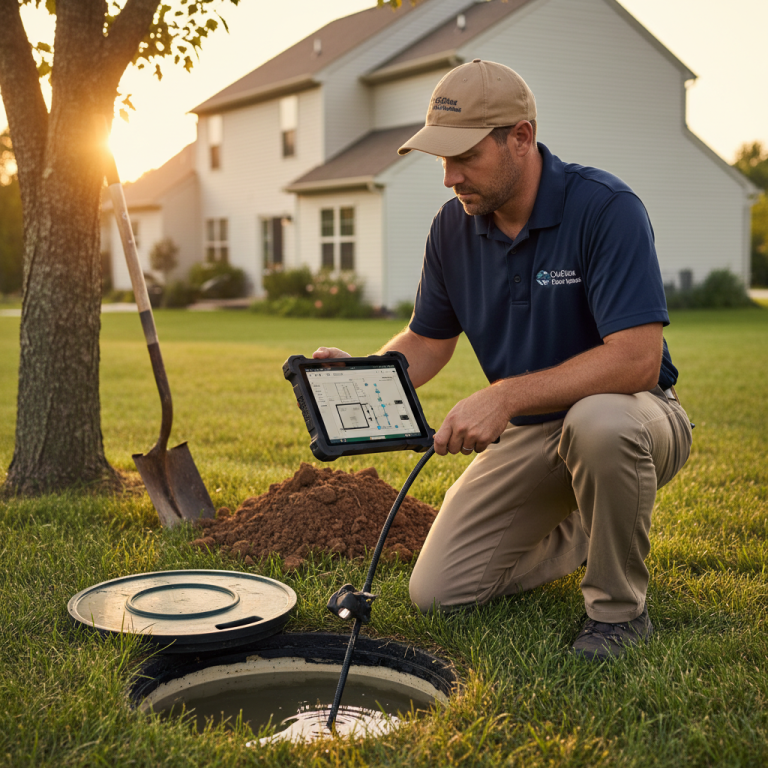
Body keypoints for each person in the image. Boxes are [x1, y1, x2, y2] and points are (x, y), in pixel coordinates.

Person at [313, 59, 692, 661]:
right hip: (536, 434)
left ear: (521, 136)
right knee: (438, 593)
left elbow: (637, 360)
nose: (449, 177)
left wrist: (505, 396)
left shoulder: (605, 208)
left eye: (464, 157)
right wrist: (363, 372)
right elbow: (428, 339)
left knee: (599, 424)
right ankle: (591, 526)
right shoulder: (453, 228)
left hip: (637, 416)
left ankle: (619, 616)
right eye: (442, 159)